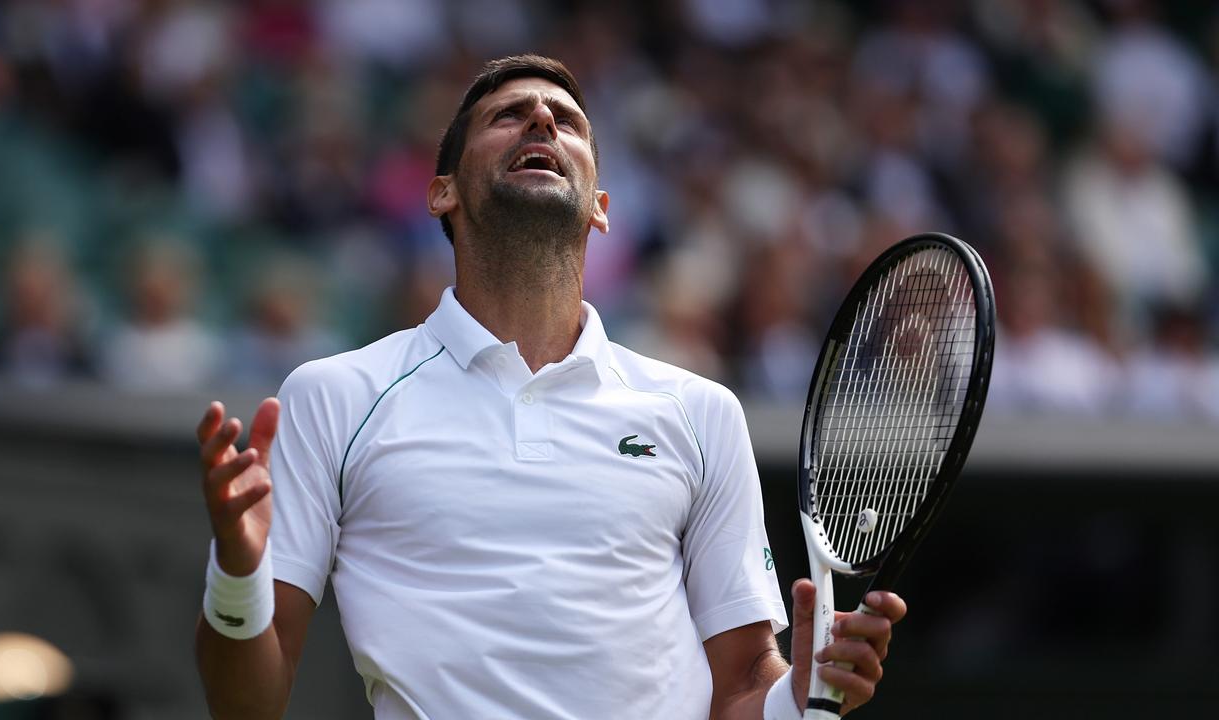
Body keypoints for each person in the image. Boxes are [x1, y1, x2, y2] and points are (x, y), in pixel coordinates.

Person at [194, 55, 906, 720]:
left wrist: (802, 695)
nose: (541, 120)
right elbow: (246, 704)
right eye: (509, 116)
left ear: (599, 206)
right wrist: (236, 573)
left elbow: (746, 683)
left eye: (565, 122)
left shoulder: (701, 412)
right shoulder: (335, 397)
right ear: (442, 193)